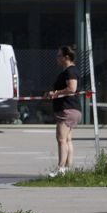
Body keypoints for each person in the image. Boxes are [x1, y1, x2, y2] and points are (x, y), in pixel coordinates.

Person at [45, 45, 80, 176]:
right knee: (67, 139)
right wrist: (52, 93)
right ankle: (67, 168)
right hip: (71, 109)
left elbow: (72, 88)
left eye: (59, 56)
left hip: (67, 110)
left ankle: (61, 169)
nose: (57, 58)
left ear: (67, 57)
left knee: (61, 139)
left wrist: (56, 93)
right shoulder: (69, 71)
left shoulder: (70, 71)